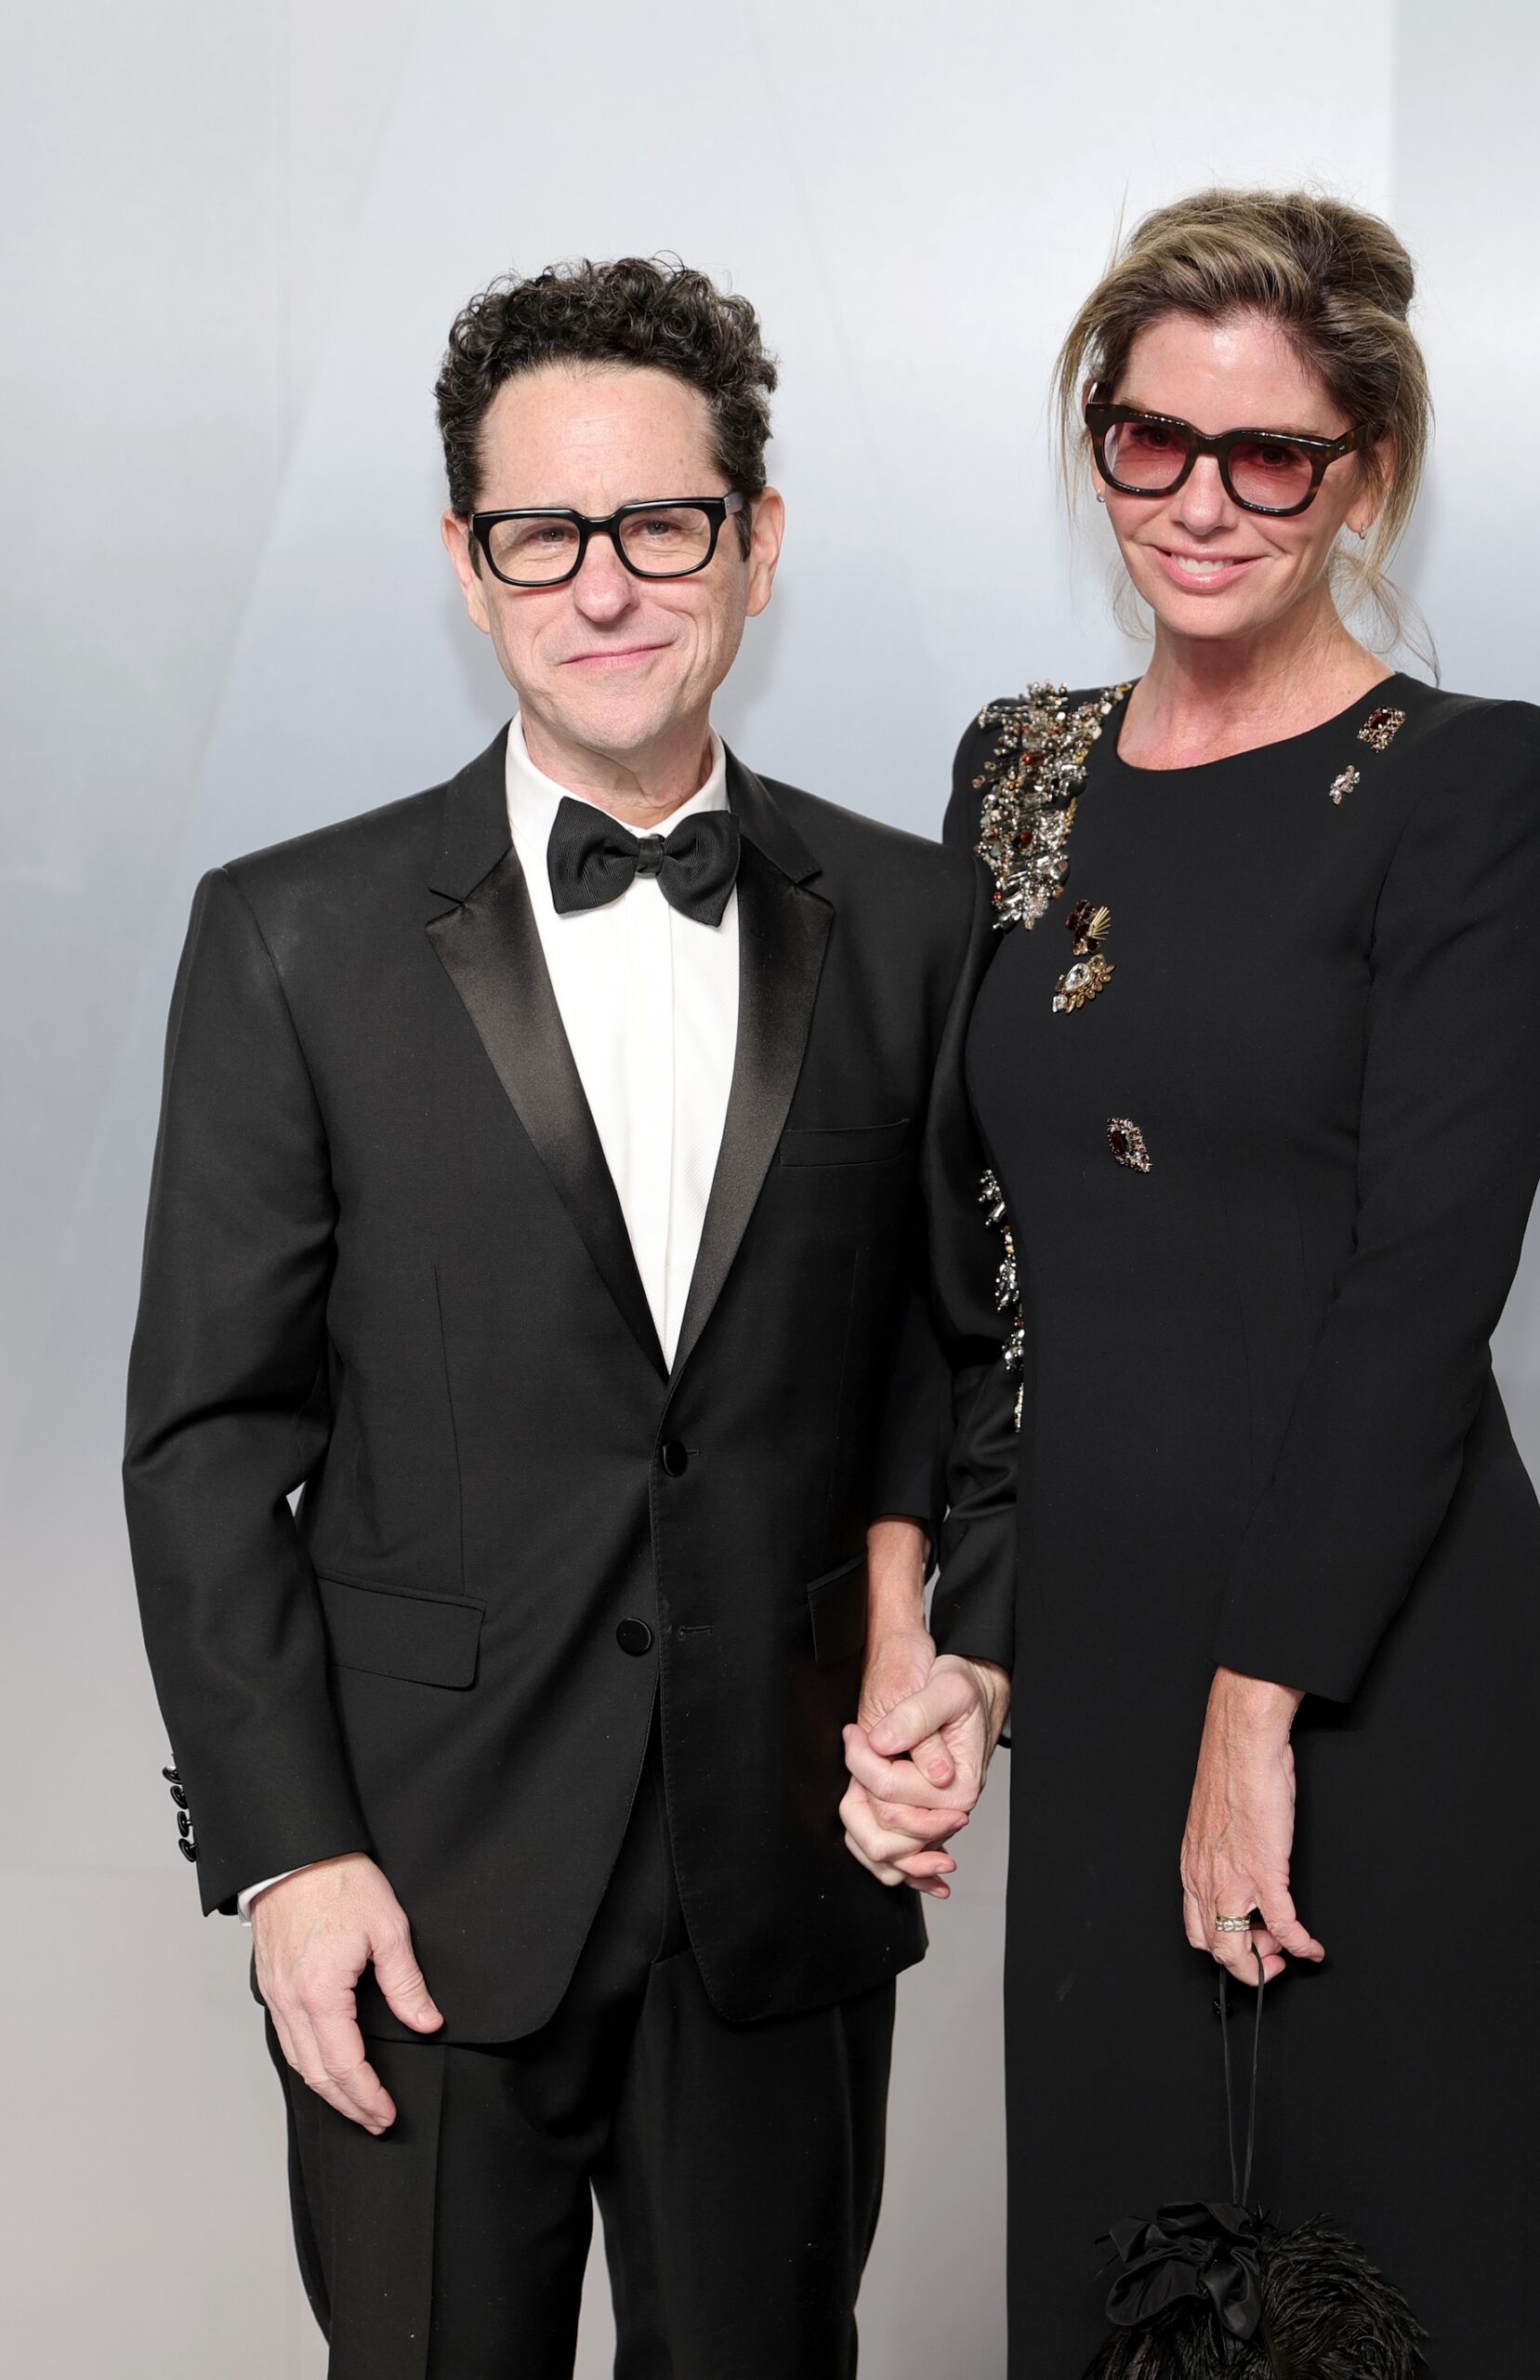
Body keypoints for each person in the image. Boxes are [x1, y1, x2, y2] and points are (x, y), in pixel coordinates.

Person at [124, 255, 1016, 2379]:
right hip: (414, 1885)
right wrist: (290, 1860)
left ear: (756, 542)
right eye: (541, 530)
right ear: (466, 558)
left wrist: (960, 1654)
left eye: (662, 523)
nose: (602, 583)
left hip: (776, 1876)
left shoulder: (913, 919)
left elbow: (961, 1360)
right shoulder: (285, 937)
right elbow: (205, 1443)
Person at [846, 188, 1540, 2377]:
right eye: (1145, 438)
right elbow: (950, 1254)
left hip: (1372, 1670)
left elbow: (1420, 1282)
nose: (1195, 500)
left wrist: (1255, 1709)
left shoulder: (1469, 782)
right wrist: (946, 1649)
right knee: (1117, 2270)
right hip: (1090, 1656)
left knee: (1384, 2269)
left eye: (1265, 453)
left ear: (1359, 467)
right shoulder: (1020, 768)